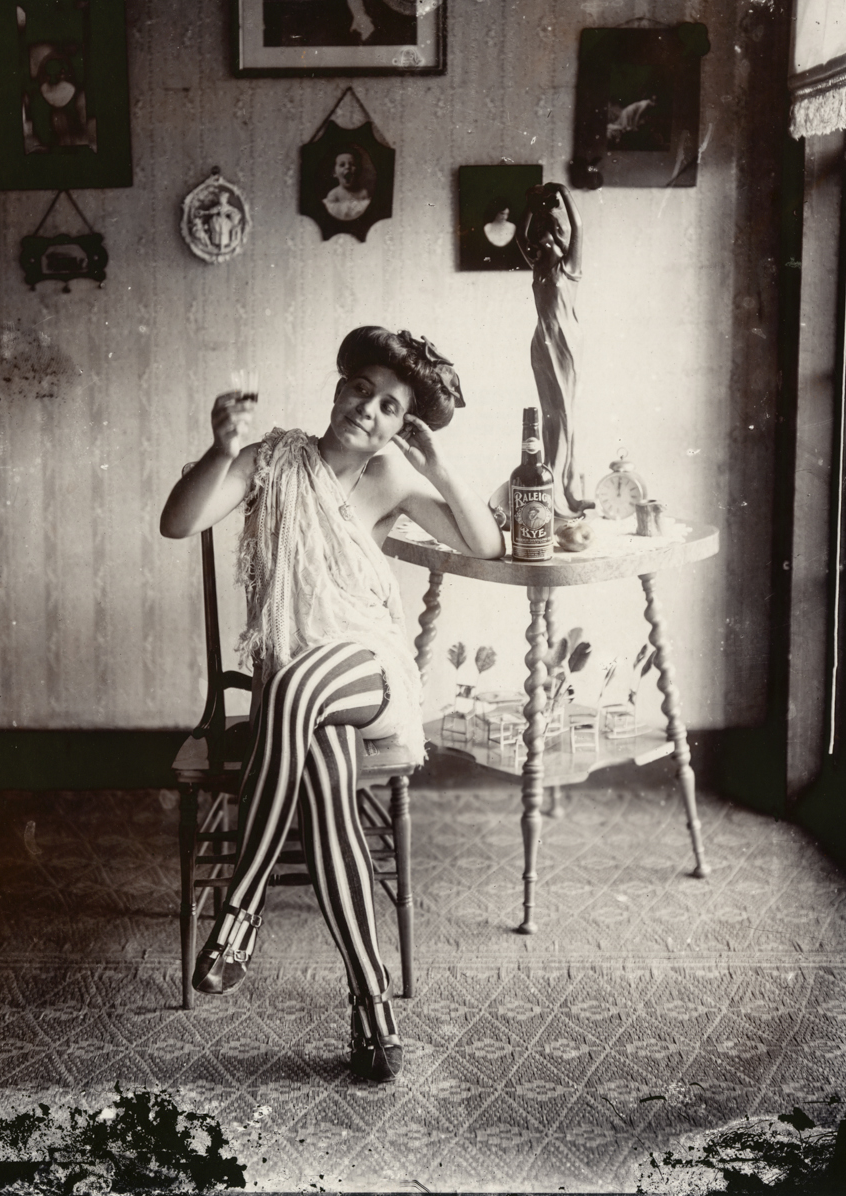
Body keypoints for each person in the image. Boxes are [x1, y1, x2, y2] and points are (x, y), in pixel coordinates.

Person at [160, 328, 503, 1082]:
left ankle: (240, 911)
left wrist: (436, 463)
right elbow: (178, 523)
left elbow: (486, 546)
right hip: (298, 699)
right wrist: (221, 448)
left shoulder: (390, 478)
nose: (369, 411)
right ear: (340, 384)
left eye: (389, 406)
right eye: (362, 390)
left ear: (398, 422)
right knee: (326, 790)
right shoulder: (273, 460)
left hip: (368, 678)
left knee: (300, 686)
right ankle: (372, 1008)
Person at [515, 182, 589, 518]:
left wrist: (562, 190)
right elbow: (520, 236)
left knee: (563, 414)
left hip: (564, 342)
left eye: (547, 236)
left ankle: (565, 489)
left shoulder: (569, 267)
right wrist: (531, 204)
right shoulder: (539, 266)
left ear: (558, 235)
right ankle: (552, 484)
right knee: (548, 414)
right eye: (539, 238)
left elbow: (580, 227)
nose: (539, 244)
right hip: (540, 342)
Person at [322, 150, 372, 222]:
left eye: (352, 164)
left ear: (357, 170)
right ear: (334, 173)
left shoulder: (363, 193)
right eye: (342, 165)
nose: (347, 167)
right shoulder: (334, 194)